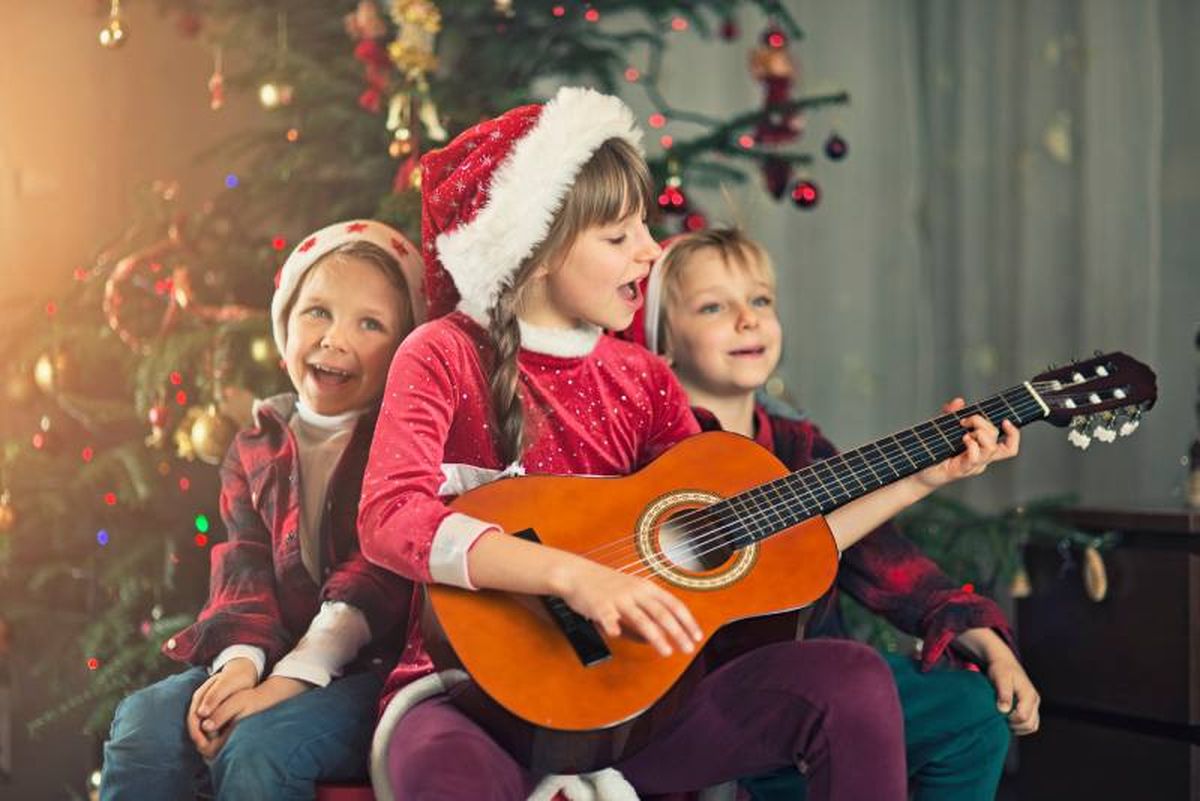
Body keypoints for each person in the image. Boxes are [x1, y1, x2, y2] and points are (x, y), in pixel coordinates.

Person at [358, 86, 1018, 801]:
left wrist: (920, 478)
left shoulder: (642, 380)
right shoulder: (444, 353)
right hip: (471, 700)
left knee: (850, 679)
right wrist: (572, 575)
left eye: (645, 226)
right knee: (444, 776)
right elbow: (390, 515)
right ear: (537, 251)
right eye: (619, 237)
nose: (649, 250)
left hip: (640, 715)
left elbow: (763, 541)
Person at [624, 227, 1039, 800]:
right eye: (714, 306)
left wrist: (986, 641)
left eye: (761, 300)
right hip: (710, 700)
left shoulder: (799, 445)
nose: (748, 319)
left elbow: (887, 564)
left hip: (827, 683)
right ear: (662, 341)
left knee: (972, 712)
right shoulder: (653, 452)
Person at [100, 220, 423, 801]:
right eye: (318, 312)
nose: (334, 338)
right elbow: (242, 566)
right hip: (269, 649)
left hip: (367, 670)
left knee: (260, 748)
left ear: (403, 349)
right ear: (285, 322)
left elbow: (377, 575)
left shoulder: (401, 442)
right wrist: (239, 665)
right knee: (142, 724)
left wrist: (285, 684)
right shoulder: (257, 443)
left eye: (369, 323)